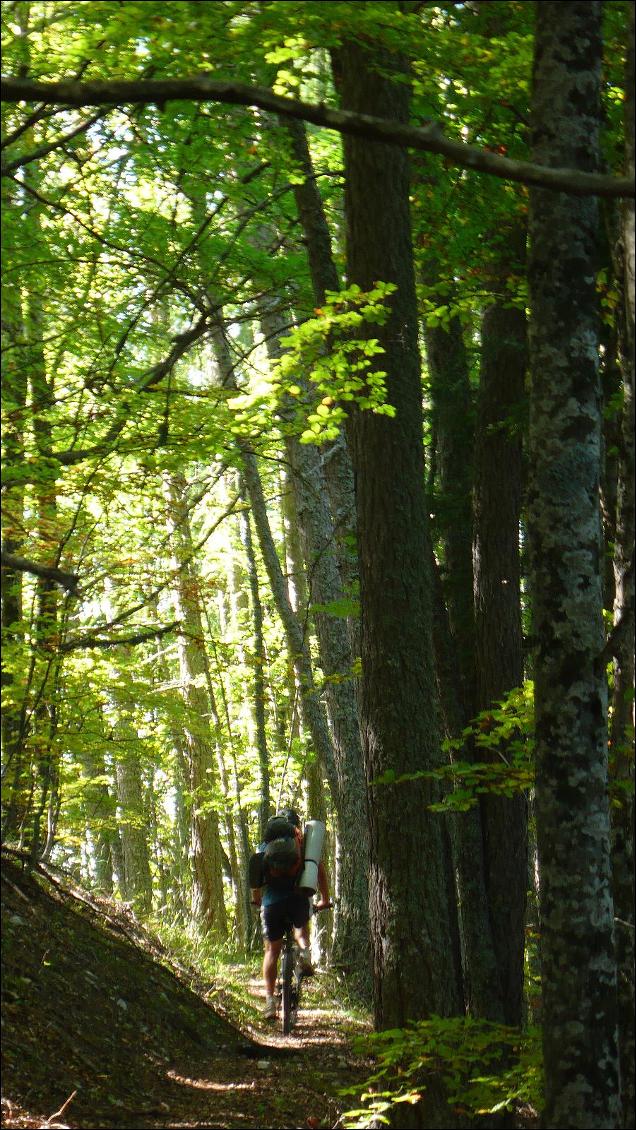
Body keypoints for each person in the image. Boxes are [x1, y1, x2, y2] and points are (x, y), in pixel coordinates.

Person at [250, 808, 331, 1020]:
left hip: (272, 904)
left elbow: (255, 877)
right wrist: (325, 899)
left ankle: (269, 1001)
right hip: (298, 899)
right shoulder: (302, 846)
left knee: (272, 951)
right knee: (300, 932)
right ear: (296, 826)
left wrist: (258, 900)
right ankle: (304, 954)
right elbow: (318, 870)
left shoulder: (264, 846)